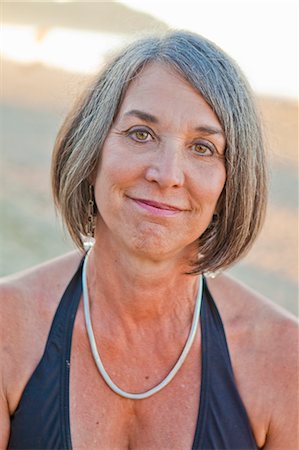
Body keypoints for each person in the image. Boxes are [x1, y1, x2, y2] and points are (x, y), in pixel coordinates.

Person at [0, 30, 298, 450]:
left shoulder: (284, 358)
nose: (167, 174)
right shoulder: (8, 326)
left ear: (231, 182)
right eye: (141, 133)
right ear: (92, 150)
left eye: (202, 147)